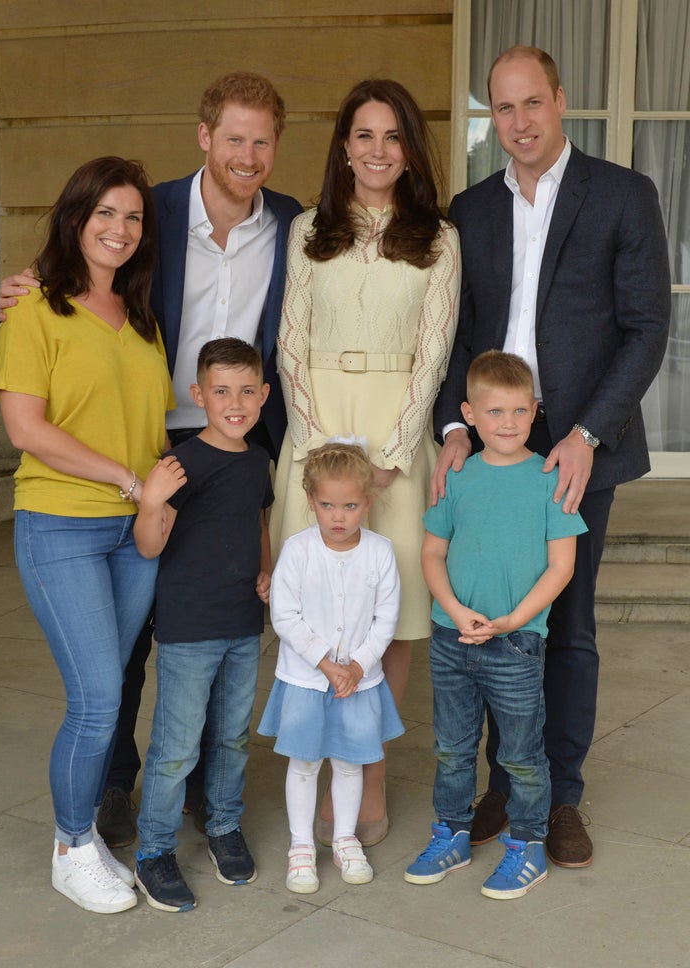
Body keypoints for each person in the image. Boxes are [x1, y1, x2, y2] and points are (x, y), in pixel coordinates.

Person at [0, 72, 304, 847]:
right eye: (232, 136)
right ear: (204, 135)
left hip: (235, 442)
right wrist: (32, 284)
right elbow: (90, 257)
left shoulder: (293, 222)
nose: (246, 154)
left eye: (261, 140)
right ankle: (113, 787)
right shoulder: (153, 211)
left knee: (208, 614)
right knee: (126, 644)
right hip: (145, 442)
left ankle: (200, 778)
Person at [431, 46, 671, 867]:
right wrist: (452, 428)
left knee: (563, 621)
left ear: (561, 101)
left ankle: (559, 795)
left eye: (533, 104)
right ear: (490, 117)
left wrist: (588, 432)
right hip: (489, 442)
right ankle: (507, 784)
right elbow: (456, 332)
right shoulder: (468, 208)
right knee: (490, 612)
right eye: (504, 109)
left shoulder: (622, 195)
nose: (520, 123)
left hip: (578, 451)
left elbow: (647, 327)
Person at [270, 78, 460, 845]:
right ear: (344, 148)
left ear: (410, 151)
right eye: (364, 135)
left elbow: (435, 352)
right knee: (313, 600)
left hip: (394, 436)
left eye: (393, 137)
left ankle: (370, 771)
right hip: (317, 429)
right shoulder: (309, 230)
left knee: (397, 610)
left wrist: (388, 456)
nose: (378, 150)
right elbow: (286, 342)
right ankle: (315, 755)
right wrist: (321, 452)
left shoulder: (440, 239)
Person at [0, 156, 175, 913]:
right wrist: (128, 482)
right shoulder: (35, 309)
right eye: (104, 213)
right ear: (75, 219)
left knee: (116, 687)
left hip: (131, 534)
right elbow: (24, 426)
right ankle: (72, 845)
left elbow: (148, 426)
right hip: (62, 523)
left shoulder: (141, 319)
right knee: (98, 697)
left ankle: (84, 835)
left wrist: (149, 502)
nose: (119, 229)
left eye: (132, 217)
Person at [405, 351, 586, 899]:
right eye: (494, 411)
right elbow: (433, 553)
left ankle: (529, 844)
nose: (507, 423)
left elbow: (562, 565)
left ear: (535, 412)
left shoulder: (549, 480)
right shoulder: (456, 476)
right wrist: (454, 610)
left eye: (518, 411)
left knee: (521, 754)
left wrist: (515, 619)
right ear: (469, 414)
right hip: (450, 635)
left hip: (517, 641)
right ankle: (452, 832)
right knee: (453, 747)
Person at [132, 338, 273, 912]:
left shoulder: (258, 457)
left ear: (264, 395)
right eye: (221, 391)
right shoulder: (180, 463)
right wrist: (149, 500)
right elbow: (148, 546)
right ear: (198, 395)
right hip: (190, 627)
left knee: (232, 736)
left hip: (243, 622)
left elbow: (259, 523)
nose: (234, 403)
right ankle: (155, 850)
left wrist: (266, 569)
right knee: (175, 747)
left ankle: (222, 826)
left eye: (246, 391)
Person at [259, 442, 403, 894]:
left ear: (367, 503)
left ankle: (344, 838)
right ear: (310, 501)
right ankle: (300, 846)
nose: (338, 516)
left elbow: (386, 619)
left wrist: (357, 667)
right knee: (304, 762)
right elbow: (284, 615)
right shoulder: (297, 550)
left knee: (348, 762)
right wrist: (326, 663)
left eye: (349, 505)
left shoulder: (380, 552)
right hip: (306, 679)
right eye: (326, 505)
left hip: (358, 684)